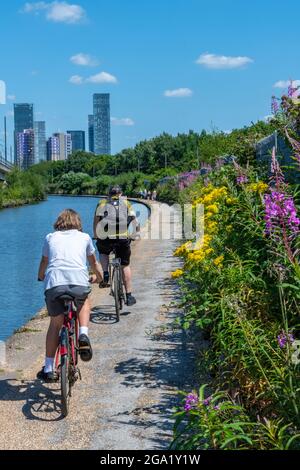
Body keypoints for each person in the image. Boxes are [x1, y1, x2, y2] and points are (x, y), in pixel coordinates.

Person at [37, 209, 103, 382]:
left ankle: (49, 368)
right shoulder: (85, 238)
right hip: (78, 283)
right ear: (78, 223)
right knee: (83, 300)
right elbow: (94, 262)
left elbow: (44, 262)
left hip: (55, 284)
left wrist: (40, 276)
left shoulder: (50, 237)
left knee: (55, 324)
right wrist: (100, 277)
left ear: (59, 223)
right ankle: (83, 333)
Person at [93, 185, 137, 307]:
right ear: (121, 194)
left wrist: (96, 236)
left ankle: (106, 273)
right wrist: (134, 234)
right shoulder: (126, 203)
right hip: (123, 238)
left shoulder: (101, 203)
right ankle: (129, 295)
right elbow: (134, 220)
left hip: (105, 238)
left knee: (103, 252)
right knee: (125, 265)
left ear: (108, 194)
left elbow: (96, 221)